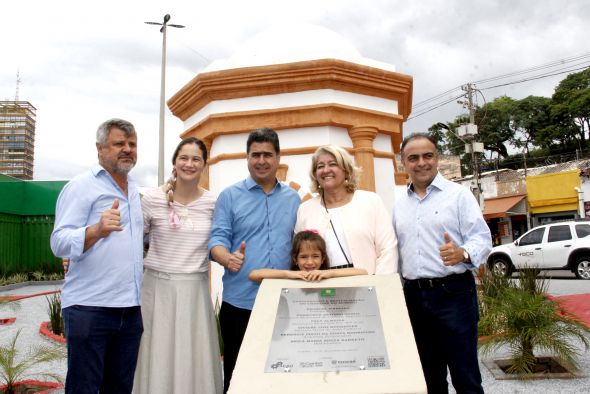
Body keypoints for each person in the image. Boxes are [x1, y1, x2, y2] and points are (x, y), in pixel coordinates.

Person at [393, 133, 492, 394]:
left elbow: (482, 238)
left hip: (454, 294)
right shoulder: (399, 205)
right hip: (414, 296)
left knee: (465, 376)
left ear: (437, 159)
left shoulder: (458, 195)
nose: (421, 163)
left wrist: (463, 254)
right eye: (413, 158)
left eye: (428, 156)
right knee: (429, 378)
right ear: (403, 163)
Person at [50, 118, 143, 394]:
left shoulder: (135, 190)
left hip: (130, 309)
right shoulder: (81, 186)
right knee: (85, 388)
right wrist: (97, 230)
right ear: (100, 149)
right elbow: (58, 242)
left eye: (132, 144)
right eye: (119, 144)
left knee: (120, 388)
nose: (127, 149)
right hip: (90, 309)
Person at [208, 127, 301, 393]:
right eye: (255, 154)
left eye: (267, 155)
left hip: (284, 302)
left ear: (278, 158)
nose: (261, 160)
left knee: (283, 376)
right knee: (239, 377)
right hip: (240, 303)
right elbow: (216, 240)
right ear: (247, 157)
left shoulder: (293, 199)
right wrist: (227, 258)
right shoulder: (229, 196)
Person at [133, 138, 222, 394]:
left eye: (196, 159)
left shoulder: (213, 203)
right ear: (175, 162)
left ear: (204, 165)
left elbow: (219, 244)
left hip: (194, 290)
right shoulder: (151, 199)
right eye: (184, 158)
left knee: (192, 353)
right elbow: (133, 242)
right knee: (156, 352)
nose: (189, 164)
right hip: (156, 290)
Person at [295, 145, 398, 274]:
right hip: (319, 287)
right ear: (315, 174)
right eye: (320, 166)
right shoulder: (305, 209)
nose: (326, 170)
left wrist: (378, 285)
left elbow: (387, 249)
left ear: (347, 170)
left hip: (366, 284)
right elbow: (298, 250)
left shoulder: (371, 201)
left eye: (333, 164)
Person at [249, 230, 367, 283]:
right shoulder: (291, 277)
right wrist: (289, 274)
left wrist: (328, 273)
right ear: (295, 259)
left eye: (315, 256)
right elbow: (254, 275)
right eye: (303, 257)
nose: (310, 262)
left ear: (323, 258)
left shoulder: (327, 275)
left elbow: (363, 272)